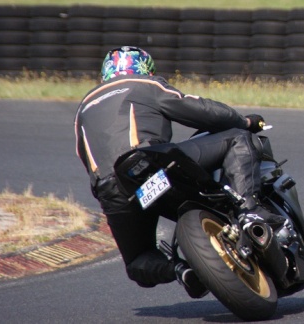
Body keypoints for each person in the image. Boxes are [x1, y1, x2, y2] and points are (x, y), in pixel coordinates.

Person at [73, 46, 284, 298]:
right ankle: (250, 211)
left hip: (111, 188)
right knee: (238, 138)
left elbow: (83, 157)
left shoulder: (83, 109)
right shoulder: (143, 84)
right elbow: (199, 110)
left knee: (138, 261)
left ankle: (180, 270)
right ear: (146, 69)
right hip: (150, 164)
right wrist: (244, 121)